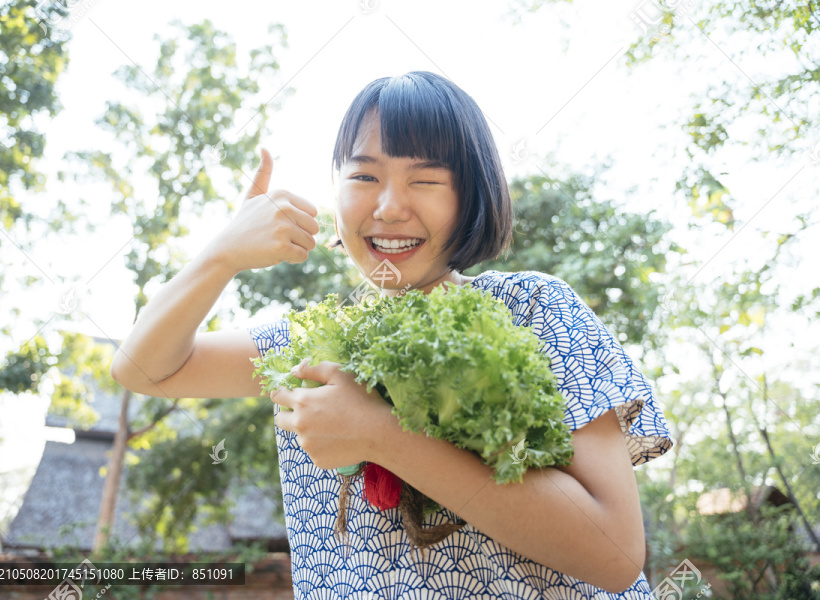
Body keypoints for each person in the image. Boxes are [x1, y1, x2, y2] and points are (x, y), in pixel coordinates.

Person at [111, 71, 673, 599]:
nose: (388, 206)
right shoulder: (316, 341)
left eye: (425, 180)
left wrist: (383, 436)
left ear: (470, 194)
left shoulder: (533, 309)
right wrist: (220, 255)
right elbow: (142, 368)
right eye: (363, 176)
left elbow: (616, 554)